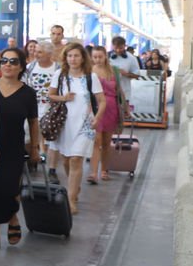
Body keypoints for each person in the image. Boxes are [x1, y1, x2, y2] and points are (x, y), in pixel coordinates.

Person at [0, 48, 40, 252]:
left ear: (21, 66)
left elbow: (33, 122)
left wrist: (35, 149)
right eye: (4, 60)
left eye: (13, 62)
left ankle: (12, 215)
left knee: (8, 189)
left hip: (14, 148)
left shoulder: (28, 94)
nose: (8, 65)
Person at [46, 42, 104, 214]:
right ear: (65, 57)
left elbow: (102, 101)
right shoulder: (60, 75)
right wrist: (63, 98)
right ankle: (74, 186)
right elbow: (50, 96)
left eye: (76, 55)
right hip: (64, 124)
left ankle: (71, 200)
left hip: (85, 125)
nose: (73, 59)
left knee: (76, 159)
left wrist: (97, 119)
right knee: (66, 159)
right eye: (70, 55)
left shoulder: (90, 77)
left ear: (82, 58)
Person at [24, 41, 60, 181]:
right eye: (36, 51)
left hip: (52, 108)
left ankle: (52, 168)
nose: (35, 54)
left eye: (40, 52)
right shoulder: (30, 67)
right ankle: (31, 159)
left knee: (52, 138)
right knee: (28, 134)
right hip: (33, 106)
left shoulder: (57, 69)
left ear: (49, 54)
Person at [88, 47, 124, 185]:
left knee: (106, 143)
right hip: (95, 108)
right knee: (96, 141)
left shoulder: (113, 71)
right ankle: (93, 172)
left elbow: (119, 90)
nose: (97, 60)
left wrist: (125, 108)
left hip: (111, 109)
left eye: (100, 57)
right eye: (95, 57)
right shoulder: (89, 71)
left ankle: (104, 170)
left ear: (105, 57)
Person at [108, 37, 142, 111]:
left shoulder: (131, 58)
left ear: (124, 46)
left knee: (123, 115)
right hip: (109, 92)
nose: (118, 50)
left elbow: (137, 75)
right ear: (112, 46)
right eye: (116, 48)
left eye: (121, 48)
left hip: (125, 92)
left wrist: (126, 74)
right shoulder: (107, 56)